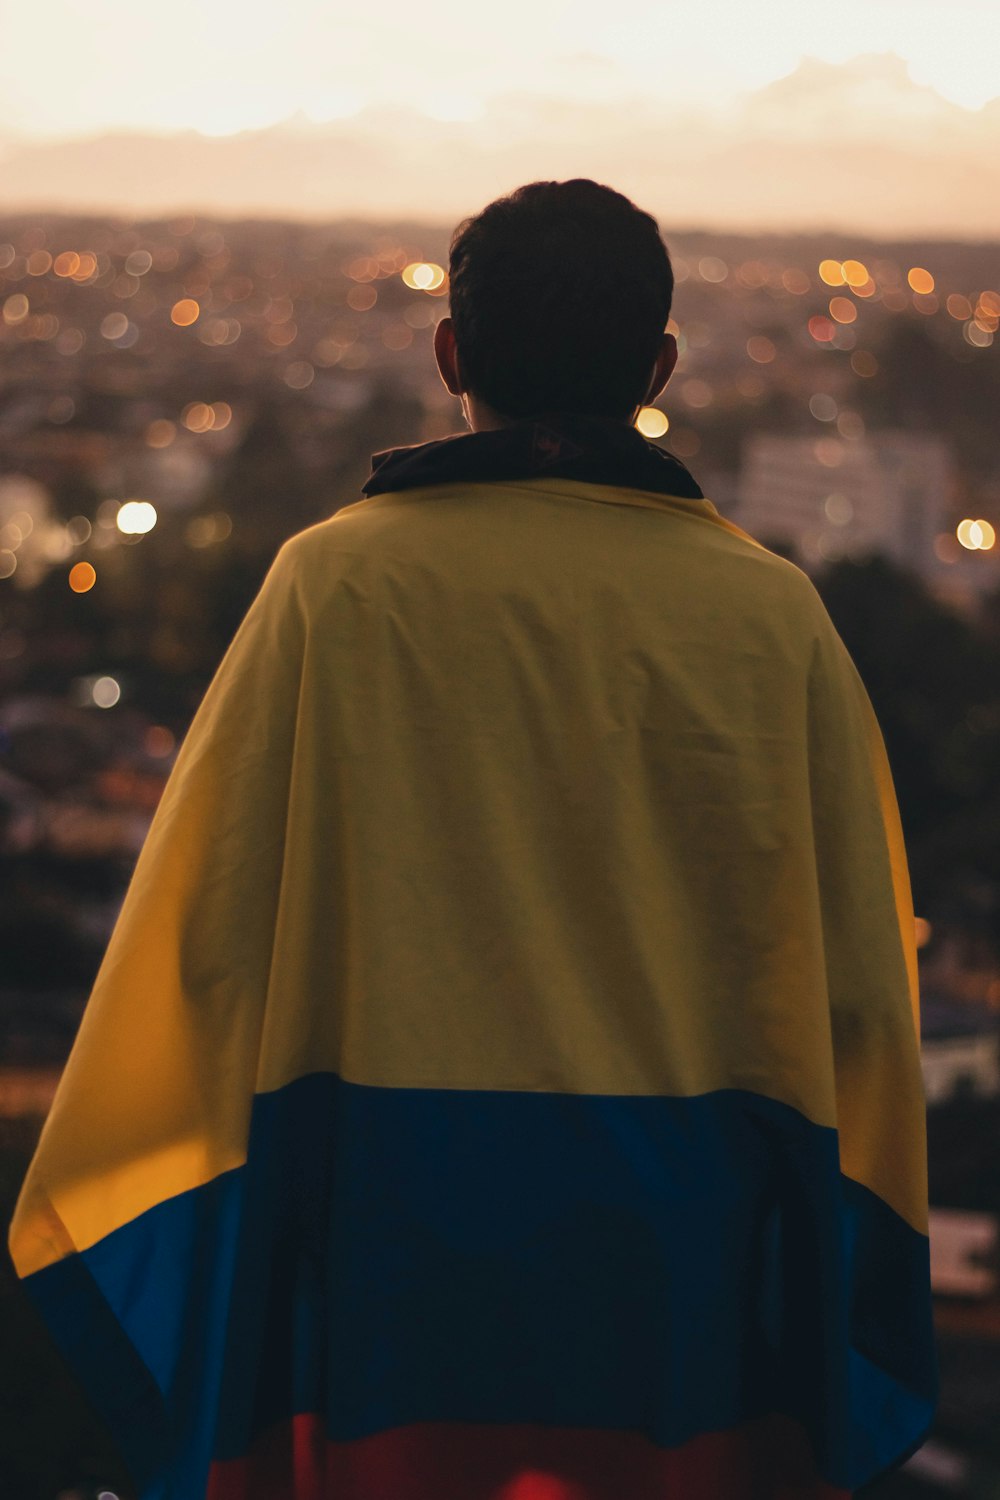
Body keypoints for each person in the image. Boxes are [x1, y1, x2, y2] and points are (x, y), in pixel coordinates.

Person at [8, 179, 936, 1500]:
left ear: (450, 355)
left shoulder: (334, 585)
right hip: (679, 1250)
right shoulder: (773, 620)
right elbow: (856, 998)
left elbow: (207, 949)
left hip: (388, 1227)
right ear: (659, 367)